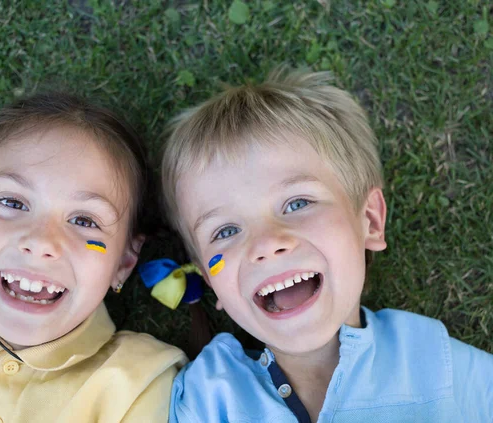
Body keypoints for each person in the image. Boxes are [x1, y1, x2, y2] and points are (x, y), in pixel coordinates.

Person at [160, 68, 493, 422]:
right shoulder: (207, 397)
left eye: (297, 203)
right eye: (225, 231)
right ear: (212, 283)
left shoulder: (430, 358)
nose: (267, 244)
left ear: (370, 221)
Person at [0, 92, 187, 423]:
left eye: (85, 221)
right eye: (13, 203)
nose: (41, 242)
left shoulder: (141, 382)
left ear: (124, 263)